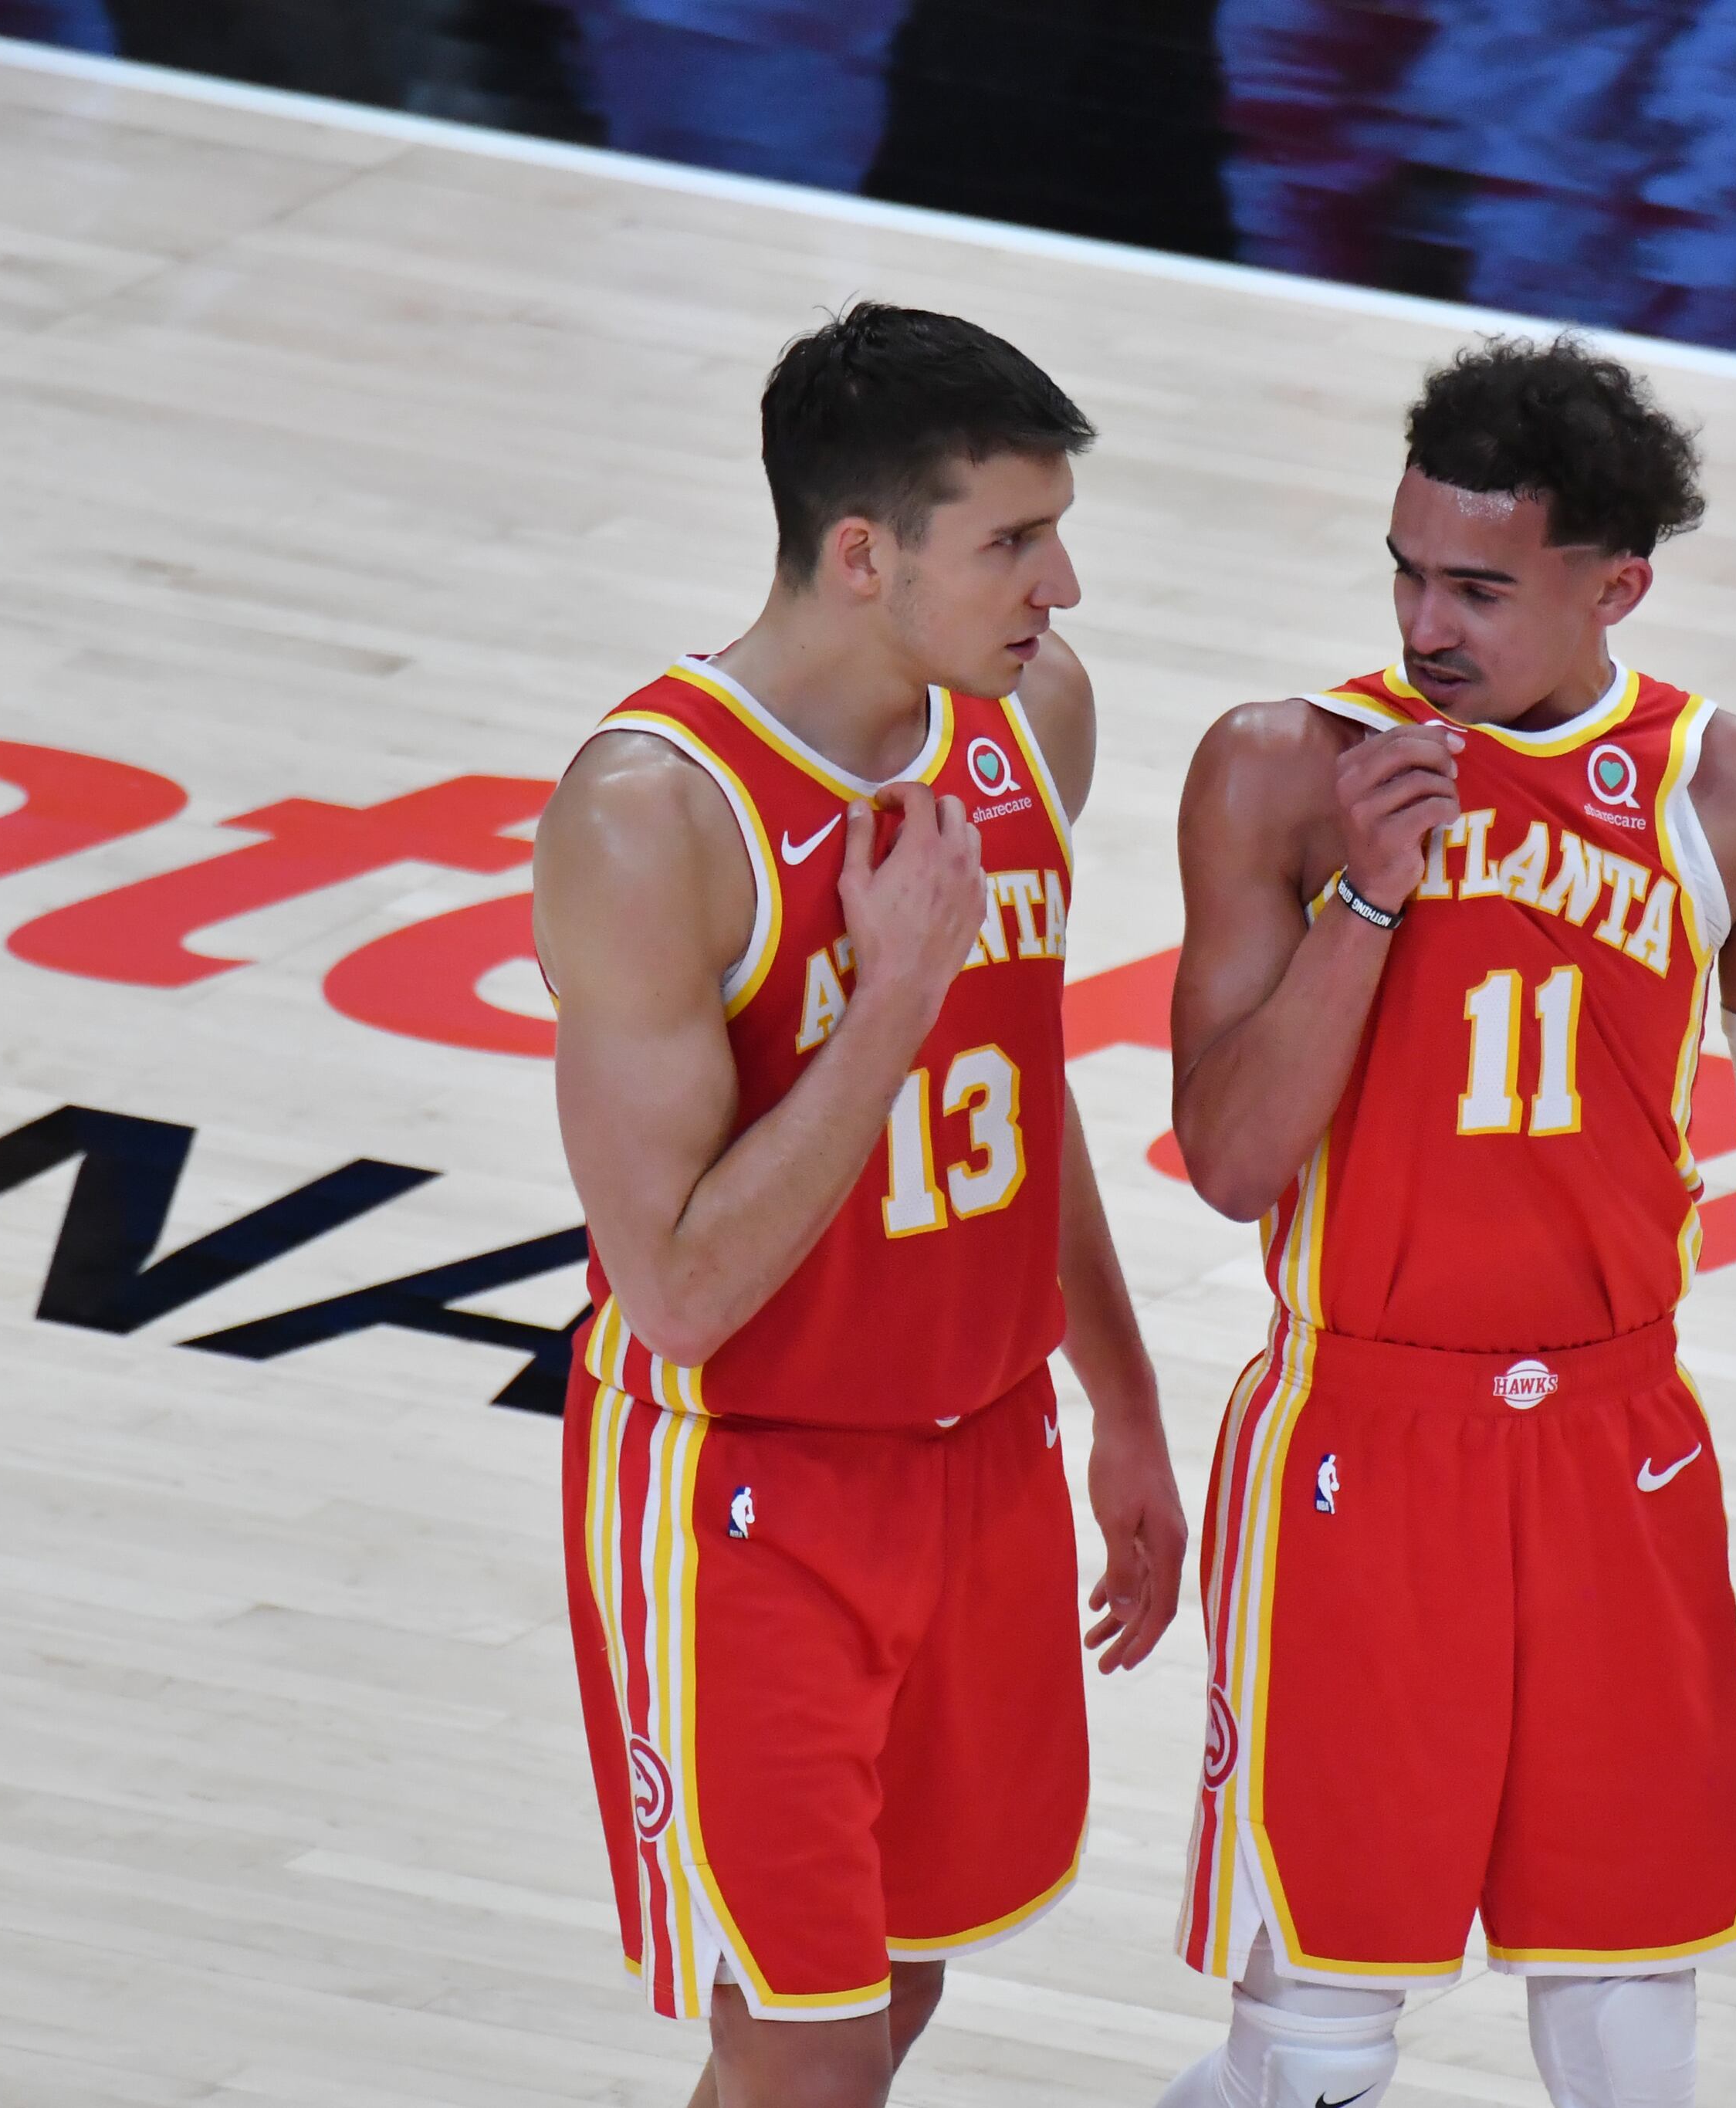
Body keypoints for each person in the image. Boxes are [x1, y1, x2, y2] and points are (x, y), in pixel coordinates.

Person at [1159, 337, 1736, 2108]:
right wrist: (1367, 898)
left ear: (1618, 584)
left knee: (1631, 2026)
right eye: (1408, 569)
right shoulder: (1285, 765)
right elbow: (1234, 1160)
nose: (1430, 621)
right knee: (1319, 2041)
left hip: (1612, 1441)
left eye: (1481, 586)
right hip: (1356, 1431)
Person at [533, 303, 1187, 2108]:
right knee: (808, 2051)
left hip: (982, 1462)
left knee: (884, 2003)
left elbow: (1023, 1089)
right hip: (752, 1484)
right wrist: (888, 994)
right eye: (1012, 540)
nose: (1062, 585)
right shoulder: (651, 816)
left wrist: (1122, 1401)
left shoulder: (1030, 720)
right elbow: (672, 1289)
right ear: (857, 554)